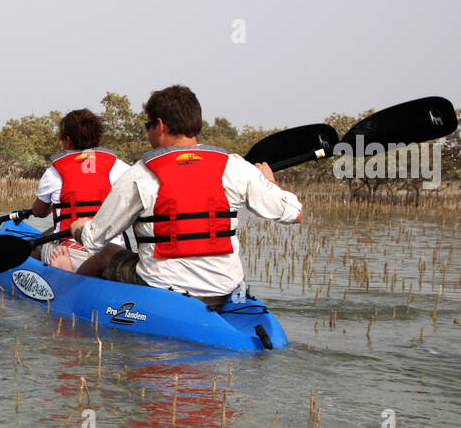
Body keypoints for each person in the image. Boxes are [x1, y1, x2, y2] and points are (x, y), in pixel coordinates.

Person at [69, 85, 302, 300]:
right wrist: (271, 182)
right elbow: (295, 214)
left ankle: (68, 299)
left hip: (162, 287)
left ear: (160, 125)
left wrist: (79, 228)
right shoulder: (235, 166)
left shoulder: (140, 174)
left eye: (148, 126)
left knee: (106, 254)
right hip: (225, 290)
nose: (148, 133)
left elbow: (93, 240)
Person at [28, 109, 131, 272]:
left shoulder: (53, 172)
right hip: (114, 253)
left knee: (38, 243)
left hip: (72, 251)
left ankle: (56, 275)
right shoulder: (120, 167)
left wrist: (54, 206)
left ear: (68, 140)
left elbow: (39, 212)